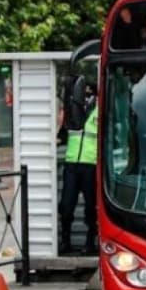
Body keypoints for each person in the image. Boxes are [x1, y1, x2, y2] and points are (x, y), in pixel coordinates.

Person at [59, 81, 98, 255]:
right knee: (66, 206)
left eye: (90, 93)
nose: (87, 96)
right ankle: (65, 242)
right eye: (84, 93)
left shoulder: (100, 110)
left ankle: (90, 242)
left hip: (91, 164)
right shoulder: (73, 110)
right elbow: (61, 134)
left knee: (91, 207)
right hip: (71, 163)